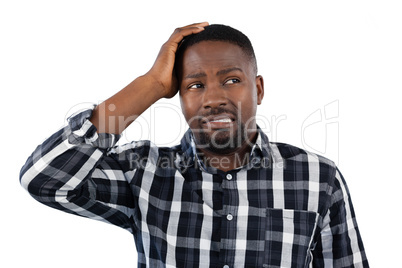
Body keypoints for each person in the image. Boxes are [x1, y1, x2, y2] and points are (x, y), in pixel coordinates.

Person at [19, 22, 369, 267]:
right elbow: (44, 180)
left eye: (232, 80)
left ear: (258, 89)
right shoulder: (143, 172)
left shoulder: (317, 176)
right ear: (179, 95)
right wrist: (152, 84)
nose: (213, 98)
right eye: (195, 85)